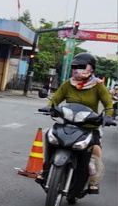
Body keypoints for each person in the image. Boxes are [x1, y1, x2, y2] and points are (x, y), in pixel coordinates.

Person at [39, 53, 114, 193]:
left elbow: (108, 103)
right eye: (75, 67)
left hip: (89, 126)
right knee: (51, 138)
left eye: (81, 67)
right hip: (68, 124)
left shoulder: (98, 85)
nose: (77, 70)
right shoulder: (68, 84)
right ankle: (46, 170)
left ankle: (93, 180)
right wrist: (49, 107)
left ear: (91, 68)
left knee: (95, 149)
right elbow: (56, 99)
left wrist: (108, 116)